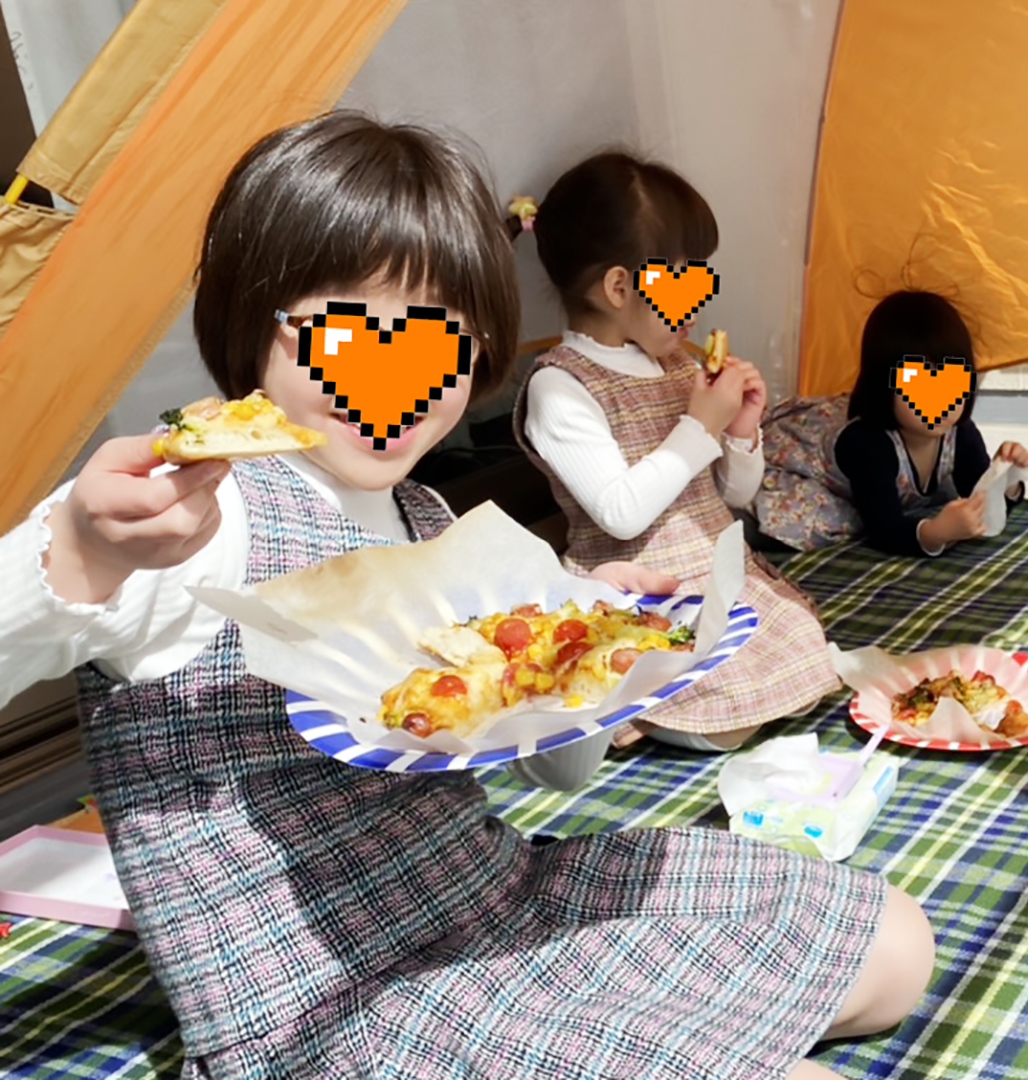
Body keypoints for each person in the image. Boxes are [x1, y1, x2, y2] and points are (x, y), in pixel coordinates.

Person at [0, 113, 931, 1080]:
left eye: (436, 337)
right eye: (350, 331)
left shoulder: (429, 515)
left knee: (895, 945)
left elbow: (558, 775)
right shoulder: (200, 513)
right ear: (251, 319)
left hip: (493, 892)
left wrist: (587, 645)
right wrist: (77, 555)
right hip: (331, 1005)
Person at [515, 152, 841, 752]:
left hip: (718, 575)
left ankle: (704, 704)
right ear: (619, 287)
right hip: (638, 592)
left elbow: (732, 496)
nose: (700, 301)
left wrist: (739, 432)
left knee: (806, 652)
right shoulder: (561, 386)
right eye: (686, 282)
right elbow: (621, 513)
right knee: (729, 720)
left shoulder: (676, 366)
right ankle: (646, 714)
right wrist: (699, 426)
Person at [831, 290, 1028, 557]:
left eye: (952, 383)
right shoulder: (867, 443)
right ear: (883, 384)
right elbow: (883, 529)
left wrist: (1005, 477)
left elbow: (980, 500)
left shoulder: (959, 433)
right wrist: (936, 532)